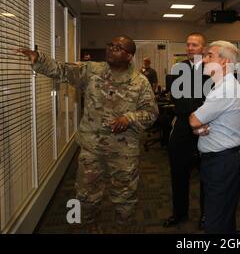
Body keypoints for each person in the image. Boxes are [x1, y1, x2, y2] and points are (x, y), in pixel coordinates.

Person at [17, 36, 159, 231]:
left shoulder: (140, 82)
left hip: (124, 152)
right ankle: (90, 228)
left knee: (124, 198)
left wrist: (130, 118)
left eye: (118, 47)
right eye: (110, 45)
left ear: (129, 56)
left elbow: (151, 114)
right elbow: (63, 70)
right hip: (92, 149)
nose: (111, 49)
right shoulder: (93, 71)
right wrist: (39, 59)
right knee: (86, 196)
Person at [189, 41, 240, 234]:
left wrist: (198, 125)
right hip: (221, 160)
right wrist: (199, 127)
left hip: (220, 162)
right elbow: (199, 125)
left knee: (216, 221)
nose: (204, 60)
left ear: (224, 62)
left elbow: (194, 121)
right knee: (223, 218)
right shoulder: (220, 86)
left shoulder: (225, 89)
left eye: (209, 56)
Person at [164, 32, 210, 228]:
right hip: (183, 126)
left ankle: (206, 216)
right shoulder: (178, 68)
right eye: (188, 44)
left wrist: (201, 116)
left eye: (195, 45)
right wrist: (195, 112)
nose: (190, 48)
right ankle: (179, 213)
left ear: (203, 48)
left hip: (208, 127)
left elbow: (213, 97)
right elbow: (177, 99)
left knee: (206, 175)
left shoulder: (212, 69)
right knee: (178, 172)